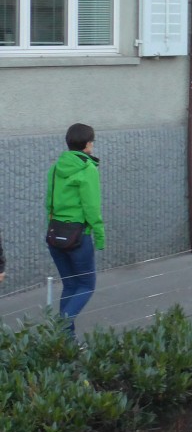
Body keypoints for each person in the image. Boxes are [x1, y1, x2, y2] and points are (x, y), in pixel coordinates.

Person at [46, 123, 105, 338]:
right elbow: (92, 208)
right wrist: (99, 236)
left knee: (70, 286)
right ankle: (60, 328)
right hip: (78, 238)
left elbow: (48, 204)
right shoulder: (87, 169)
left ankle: (65, 343)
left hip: (55, 236)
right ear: (88, 144)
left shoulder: (55, 168)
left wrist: (51, 230)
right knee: (87, 285)